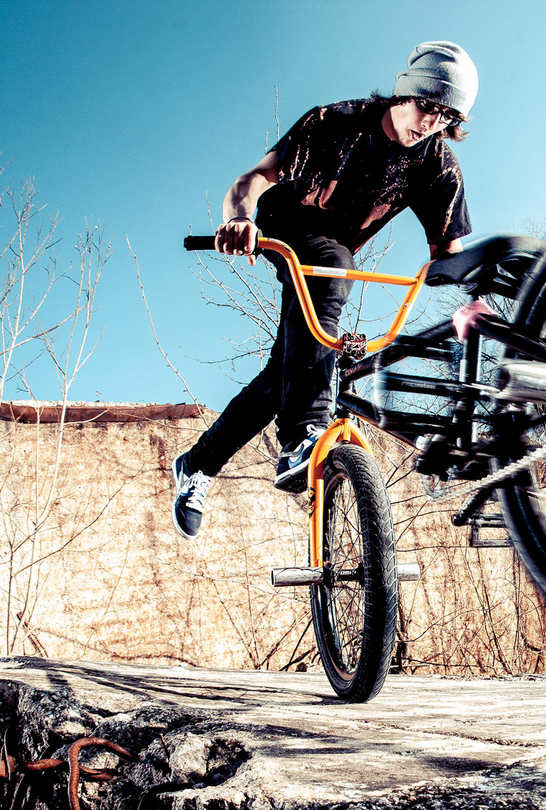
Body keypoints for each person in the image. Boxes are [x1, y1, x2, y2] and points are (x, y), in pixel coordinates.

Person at [171, 41, 476, 539]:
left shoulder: (437, 166)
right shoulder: (335, 122)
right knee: (332, 266)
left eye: (445, 117)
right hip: (284, 224)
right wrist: (238, 220)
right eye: (425, 107)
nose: (429, 123)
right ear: (405, 92)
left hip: (333, 246)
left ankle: (197, 465)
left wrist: (475, 294)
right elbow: (253, 179)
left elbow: (451, 252)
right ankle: (299, 437)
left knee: (287, 368)